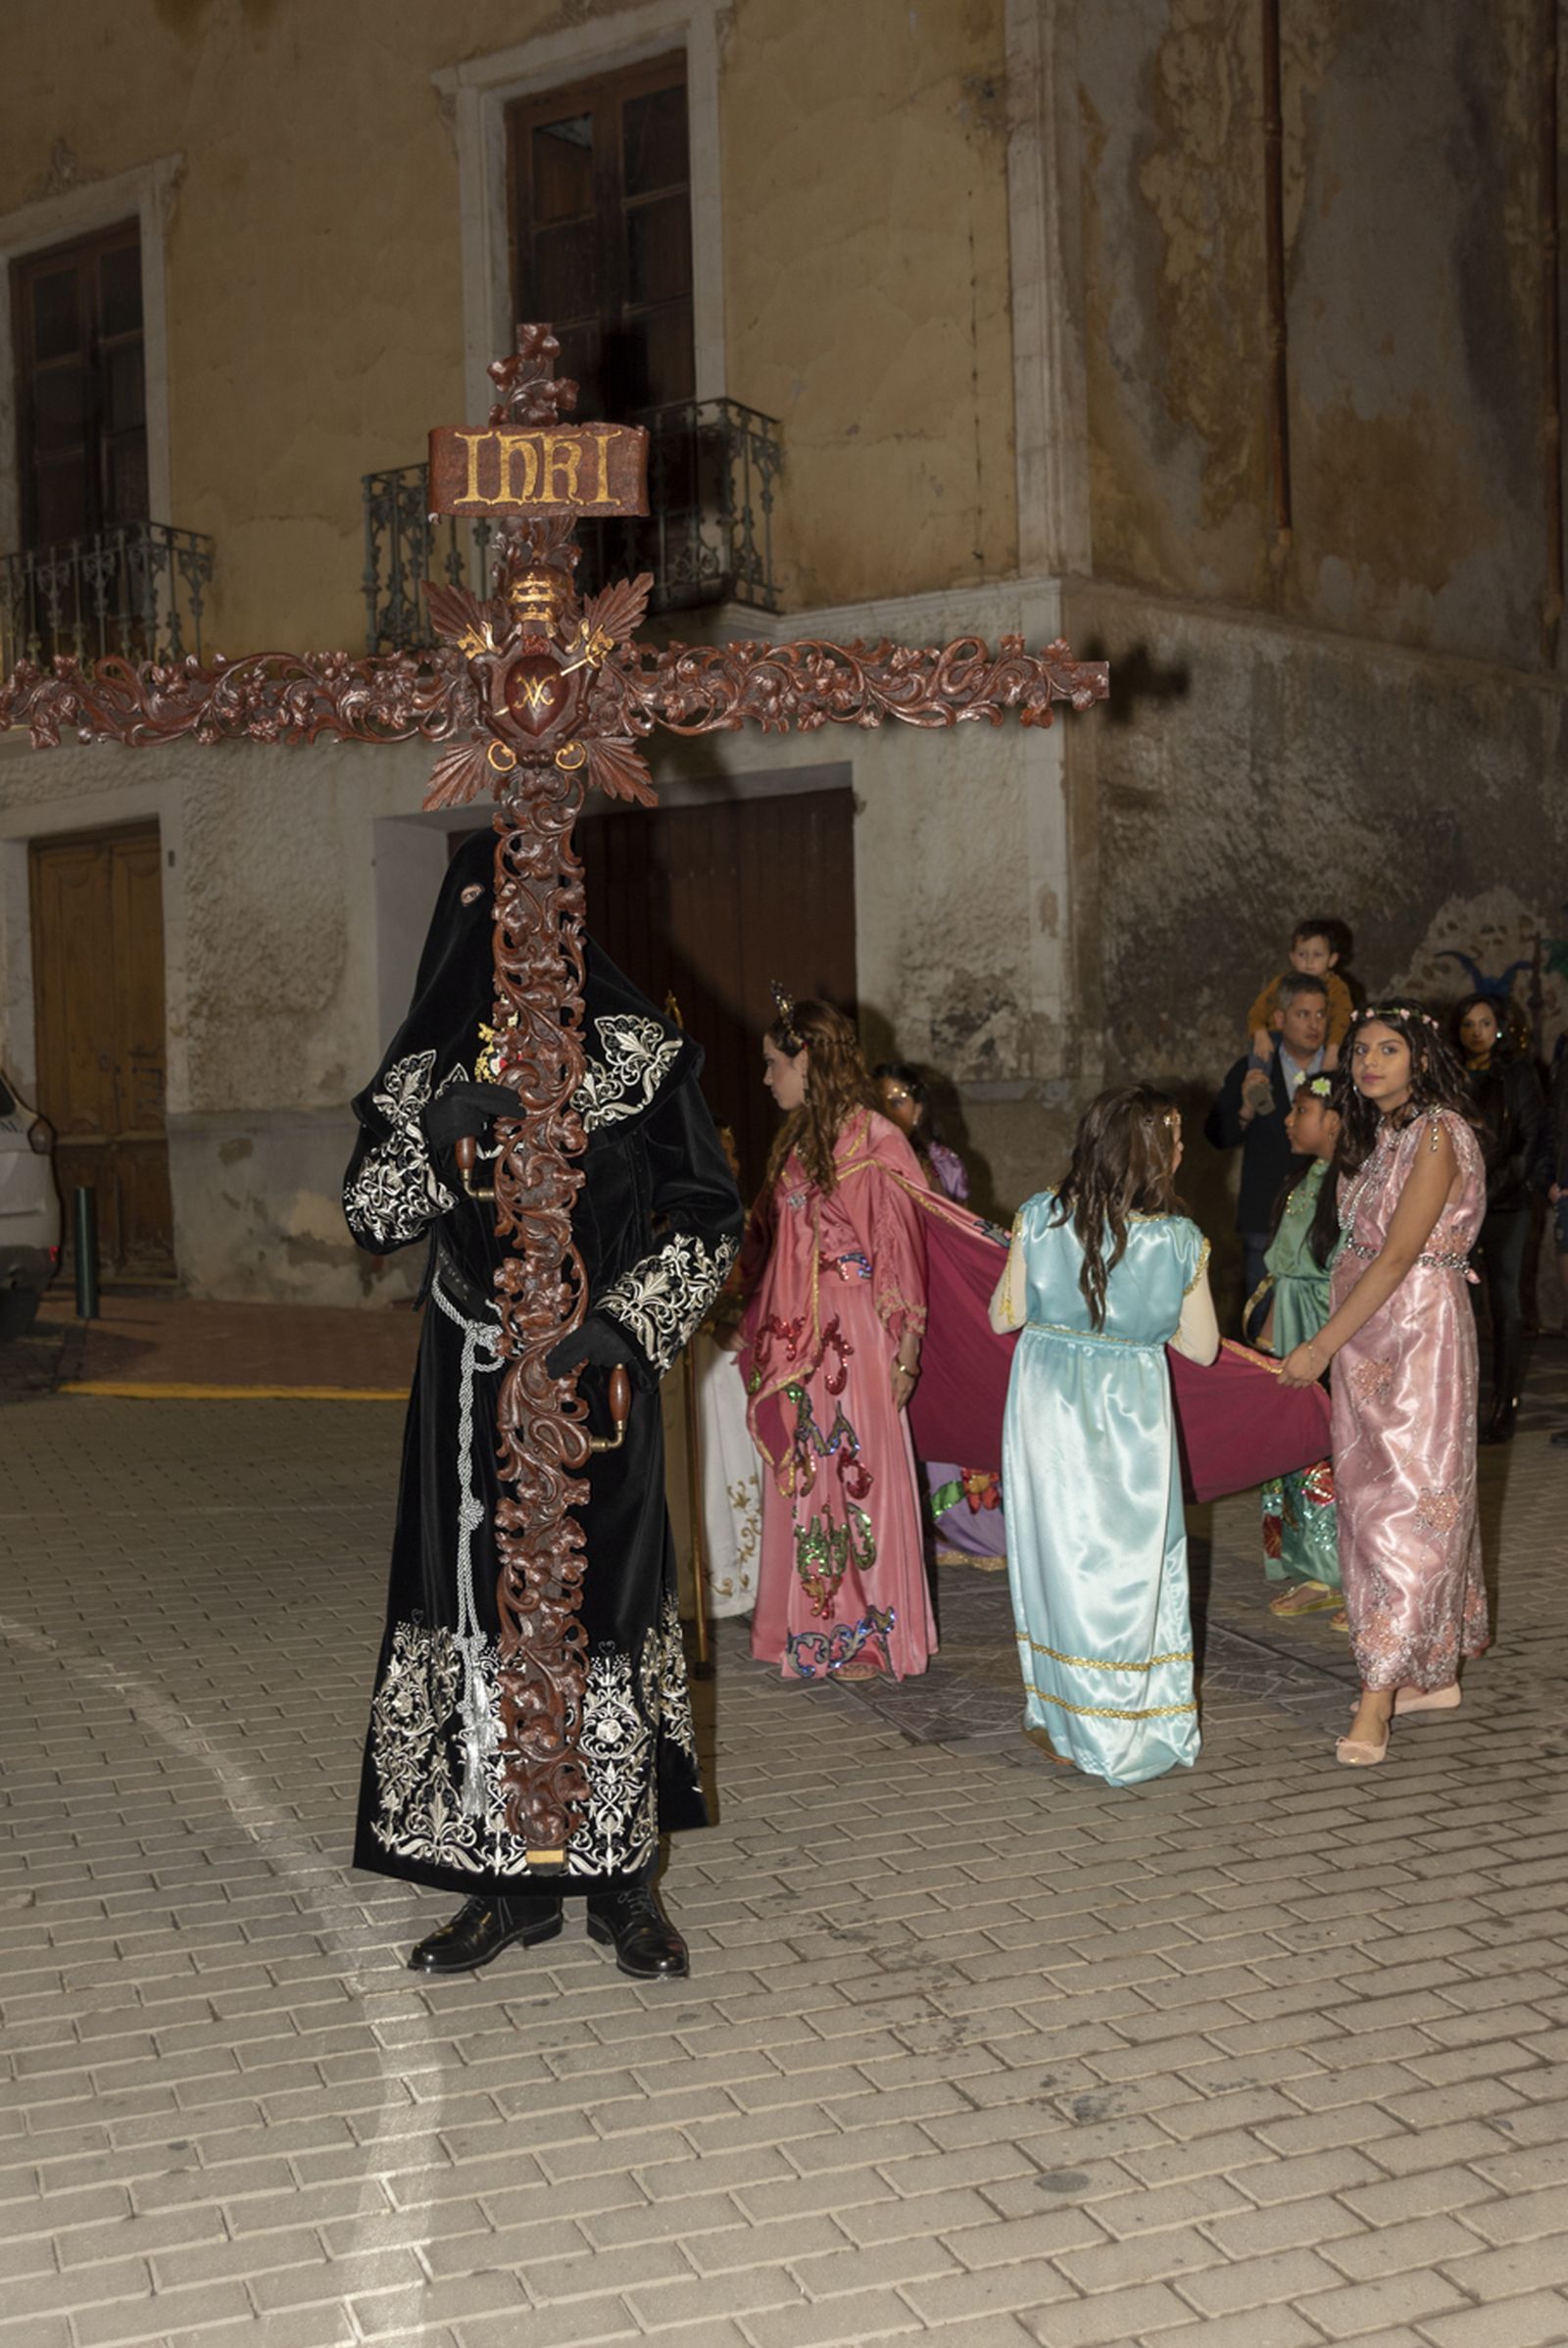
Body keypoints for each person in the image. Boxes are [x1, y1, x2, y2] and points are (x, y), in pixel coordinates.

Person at [342, 830, 744, 1979]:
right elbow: (370, 1214)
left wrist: (626, 1323)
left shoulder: (635, 1051)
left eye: (528, 899)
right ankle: (496, 1888)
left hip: (594, 1390)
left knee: (605, 1607)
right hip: (467, 1393)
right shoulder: (429, 1062)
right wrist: (433, 1129)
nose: (504, 926)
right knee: (473, 1610)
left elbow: (709, 1210)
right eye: (483, 900)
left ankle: (623, 1884)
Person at [989, 1085, 1219, 1785]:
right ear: (1151, 1155)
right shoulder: (1180, 1241)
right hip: (1132, 1416)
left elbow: (1003, 1317)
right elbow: (1202, 1349)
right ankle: (1129, 1719)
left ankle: (1063, 1720)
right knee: (1132, 1562)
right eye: (1174, 1139)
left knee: (1056, 1557)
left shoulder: (1039, 1218)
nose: (1183, 1150)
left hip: (1047, 1411)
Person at [1279, 1004, 1489, 1766]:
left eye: (1388, 1050)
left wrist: (1319, 1347)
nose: (1369, 1063)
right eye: (1361, 1050)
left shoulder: (1436, 1132)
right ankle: (1427, 1673)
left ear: (1420, 1057)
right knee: (1369, 1503)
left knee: (1405, 1510)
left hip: (1417, 1337)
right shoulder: (1386, 1133)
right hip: (1369, 1336)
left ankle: (1376, 1699)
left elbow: (1399, 1257)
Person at [741, 995, 937, 1682]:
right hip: (804, 1333)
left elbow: (899, 1248)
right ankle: (816, 1627)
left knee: (860, 1478)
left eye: (774, 1064)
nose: (767, 1079)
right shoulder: (799, 1140)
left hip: (855, 1328)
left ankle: (873, 1636)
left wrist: (905, 1346)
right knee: (811, 1475)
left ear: (808, 1061)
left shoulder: (874, 1140)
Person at [873, 1058, 1005, 1564]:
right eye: (881, 1100)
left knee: (945, 1399)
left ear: (920, 1106)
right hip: (883, 1301)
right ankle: (912, 1522)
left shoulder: (941, 1163)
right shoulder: (865, 1159)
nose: (891, 1109)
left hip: (934, 1299)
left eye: (900, 1099)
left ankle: (963, 1525)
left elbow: (955, 1232)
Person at [1252, 1074, 1345, 1621]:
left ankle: (1345, 1570)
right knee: (1294, 1453)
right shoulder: (1300, 1179)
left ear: (1334, 1120)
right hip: (1288, 1326)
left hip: (1325, 1329)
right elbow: (1283, 1271)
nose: (1289, 1120)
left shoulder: (1355, 1185)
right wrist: (1266, 1337)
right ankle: (1312, 1563)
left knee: (1332, 1455)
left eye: (1302, 1110)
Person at [1451, 992, 1550, 1444]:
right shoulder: (1452, 1076)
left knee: (1506, 1303)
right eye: (1468, 1024)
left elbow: (1529, 1141)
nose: (1476, 1032)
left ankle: (1504, 1403)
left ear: (1500, 1027)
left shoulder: (1517, 1074)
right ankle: (1464, 1403)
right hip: (1459, 1206)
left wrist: (1491, 1192)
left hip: (1506, 1204)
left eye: (1484, 1023)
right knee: (1461, 1306)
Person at [1206, 970, 1329, 1303]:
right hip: (1265, 1217)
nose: (1314, 1024)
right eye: (1303, 1014)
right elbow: (1219, 1135)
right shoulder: (1253, 1069)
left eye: (1321, 1014)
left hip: (1324, 1217)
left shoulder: (1339, 1071)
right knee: (1261, 1313)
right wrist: (1246, 1108)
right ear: (1279, 1018)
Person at [1247, 918, 1354, 1072]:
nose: (1309, 962)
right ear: (1292, 957)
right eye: (1302, 954)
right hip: (1280, 1038)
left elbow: (1341, 1021)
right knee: (1262, 1045)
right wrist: (1259, 1031)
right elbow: (1259, 1009)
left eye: (1317, 955)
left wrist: (1333, 1049)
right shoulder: (1282, 983)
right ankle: (1257, 1082)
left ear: (1332, 959)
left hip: (1318, 1040)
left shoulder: (1337, 989)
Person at [873, 1061, 969, 1201]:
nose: (887, 1112)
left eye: (896, 1103)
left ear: (917, 1111)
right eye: (879, 1104)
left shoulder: (942, 1165)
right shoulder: (859, 1160)